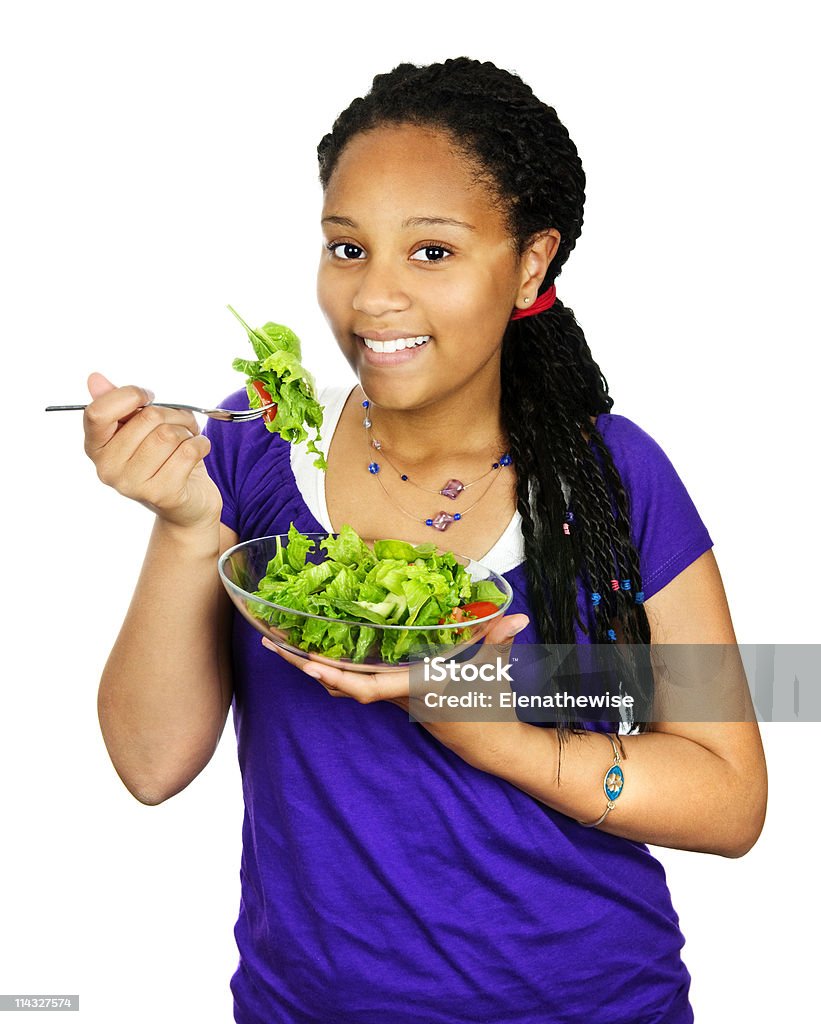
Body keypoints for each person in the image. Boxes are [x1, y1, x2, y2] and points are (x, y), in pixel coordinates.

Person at [83, 58, 767, 1024]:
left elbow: (730, 797)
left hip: (592, 1003)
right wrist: (188, 527)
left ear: (530, 262)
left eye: (433, 252)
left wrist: (495, 732)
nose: (373, 301)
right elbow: (150, 766)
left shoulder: (612, 477)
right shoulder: (255, 443)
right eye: (347, 248)